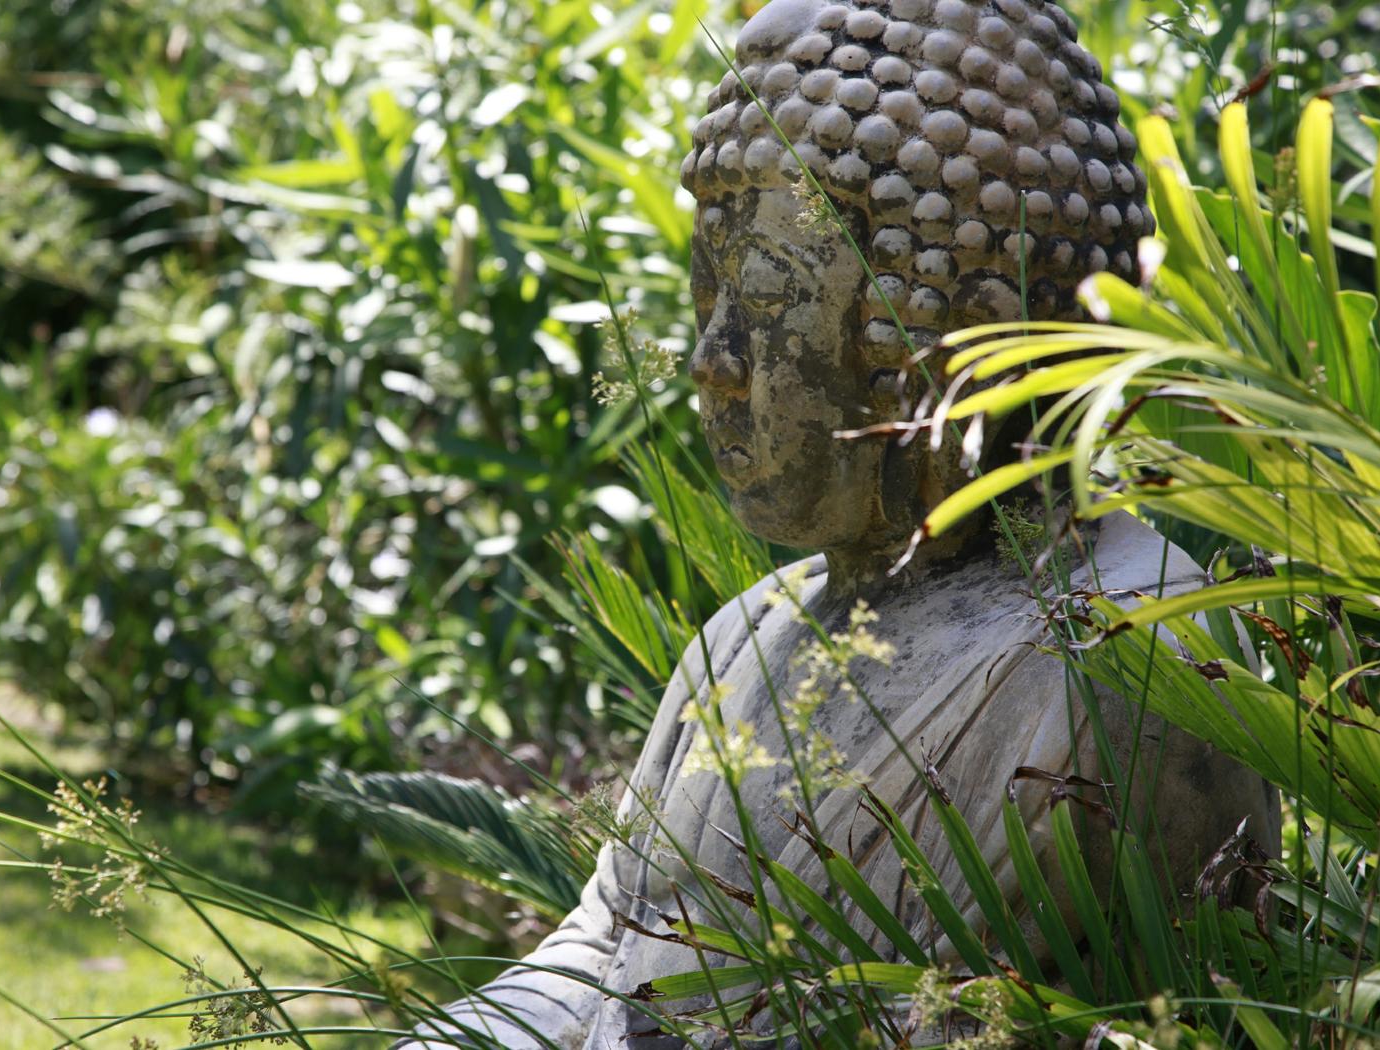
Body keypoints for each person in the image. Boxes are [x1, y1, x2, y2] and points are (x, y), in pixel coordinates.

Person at [397, 0, 1275, 1045]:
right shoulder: (745, 638)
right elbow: (606, 940)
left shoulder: (1126, 659)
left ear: (956, 338)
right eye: (706, 295)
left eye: (766, 299)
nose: (712, 362)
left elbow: (1012, 1021)